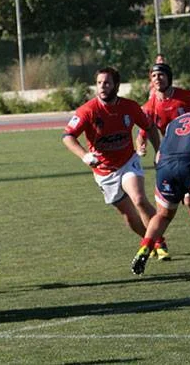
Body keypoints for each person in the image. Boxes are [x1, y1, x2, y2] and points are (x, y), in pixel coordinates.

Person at [63, 67, 167, 257]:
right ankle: (149, 241)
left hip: (128, 162)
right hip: (104, 172)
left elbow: (150, 127)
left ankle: (158, 241)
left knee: (139, 199)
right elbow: (68, 136)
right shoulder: (88, 110)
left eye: (107, 83)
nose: (103, 87)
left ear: (116, 86)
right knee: (128, 217)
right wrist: (84, 156)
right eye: (99, 83)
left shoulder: (130, 107)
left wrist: (158, 151)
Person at [131, 91, 190, 274]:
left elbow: (161, 151)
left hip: (165, 166)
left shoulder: (177, 120)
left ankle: (145, 246)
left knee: (164, 215)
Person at [136, 63, 190, 234]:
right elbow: (143, 131)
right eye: (154, 76)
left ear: (169, 77)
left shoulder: (187, 97)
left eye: (161, 75)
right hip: (173, 156)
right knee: (189, 202)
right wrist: (141, 144)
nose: (158, 79)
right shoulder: (149, 106)